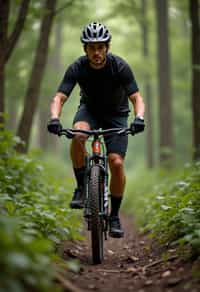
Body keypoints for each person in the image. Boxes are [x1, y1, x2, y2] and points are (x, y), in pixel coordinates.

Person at [47, 22, 145, 238]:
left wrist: (139, 117)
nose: (96, 52)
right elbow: (60, 97)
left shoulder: (119, 66)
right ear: (85, 49)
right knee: (78, 134)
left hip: (117, 115)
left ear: (107, 48)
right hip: (89, 111)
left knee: (116, 163)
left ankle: (114, 216)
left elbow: (136, 97)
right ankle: (82, 187)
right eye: (92, 48)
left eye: (100, 47)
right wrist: (54, 118)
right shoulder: (77, 67)